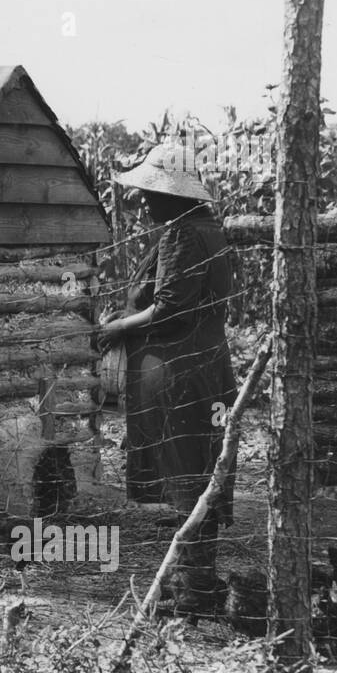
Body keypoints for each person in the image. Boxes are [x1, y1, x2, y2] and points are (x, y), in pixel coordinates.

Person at [97, 141, 238, 614]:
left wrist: (117, 327)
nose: (142, 201)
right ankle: (194, 583)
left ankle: (192, 590)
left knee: (186, 473)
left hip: (179, 368)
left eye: (149, 192)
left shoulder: (183, 235)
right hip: (205, 363)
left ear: (173, 196)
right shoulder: (207, 230)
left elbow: (172, 308)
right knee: (200, 469)